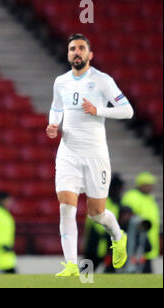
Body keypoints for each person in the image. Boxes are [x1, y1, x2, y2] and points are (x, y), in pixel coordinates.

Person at [46, 33, 134, 277]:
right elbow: (56, 107)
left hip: (95, 155)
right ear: (68, 54)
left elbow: (127, 111)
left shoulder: (102, 80)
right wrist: (54, 124)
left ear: (90, 55)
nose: (77, 52)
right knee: (66, 206)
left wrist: (98, 110)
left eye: (81, 48)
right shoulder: (60, 82)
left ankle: (118, 235)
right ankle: (71, 264)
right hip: (68, 153)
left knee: (96, 213)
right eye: (73, 48)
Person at [83, 173, 124, 272]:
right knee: (86, 275)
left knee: (107, 275)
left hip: (105, 245)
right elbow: (96, 224)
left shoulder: (119, 203)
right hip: (96, 243)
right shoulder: (106, 202)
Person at [121, 172, 160, 273]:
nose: (150, 187)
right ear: (140, 184)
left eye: (151, 185)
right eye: (147, 185)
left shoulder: (150, 198)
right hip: (136, 244)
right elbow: (127, 219)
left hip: (148, 242)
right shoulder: (132, 196)